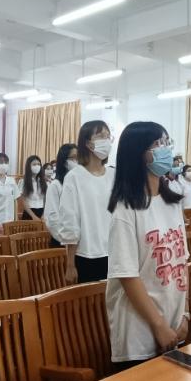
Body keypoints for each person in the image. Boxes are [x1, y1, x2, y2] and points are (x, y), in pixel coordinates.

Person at [106, 122, 190, 369]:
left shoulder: (171, 202)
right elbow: (127, 276)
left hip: (174, 322)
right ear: (139, 154)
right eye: (158, 144)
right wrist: (159, 325)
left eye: (167, 142)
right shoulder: (125, 209)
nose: (166, 149)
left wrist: (185, 313)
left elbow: (182, 262)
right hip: (139, 332)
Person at [60, 121, 113, 283]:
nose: (106, 140)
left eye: (108, 136)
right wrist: (70, 264)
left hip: (114, 252)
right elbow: (70, 222)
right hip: (87, 254)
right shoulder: (74, 177)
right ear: (88, 144)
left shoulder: (114, 175)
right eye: (101, 136)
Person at [44, 144, 76, 248]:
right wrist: (66, 240)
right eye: (74, 158)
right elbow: (52, 219)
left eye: (79, 158)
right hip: (62, 241)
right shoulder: (55, 185)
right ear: (64, 161)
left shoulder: (79, 184)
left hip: (79, 241)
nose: (78, 161)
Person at [17, 154, 46, 220]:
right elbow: (23, 201)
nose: (37, 166)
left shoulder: (43, 181)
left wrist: (44, 214)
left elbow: (45, 199)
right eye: (34, 164)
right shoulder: (23, 181)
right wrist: (33, 216)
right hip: (29, 212)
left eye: (38, 164)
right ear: (29, 166)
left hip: (42, 212)